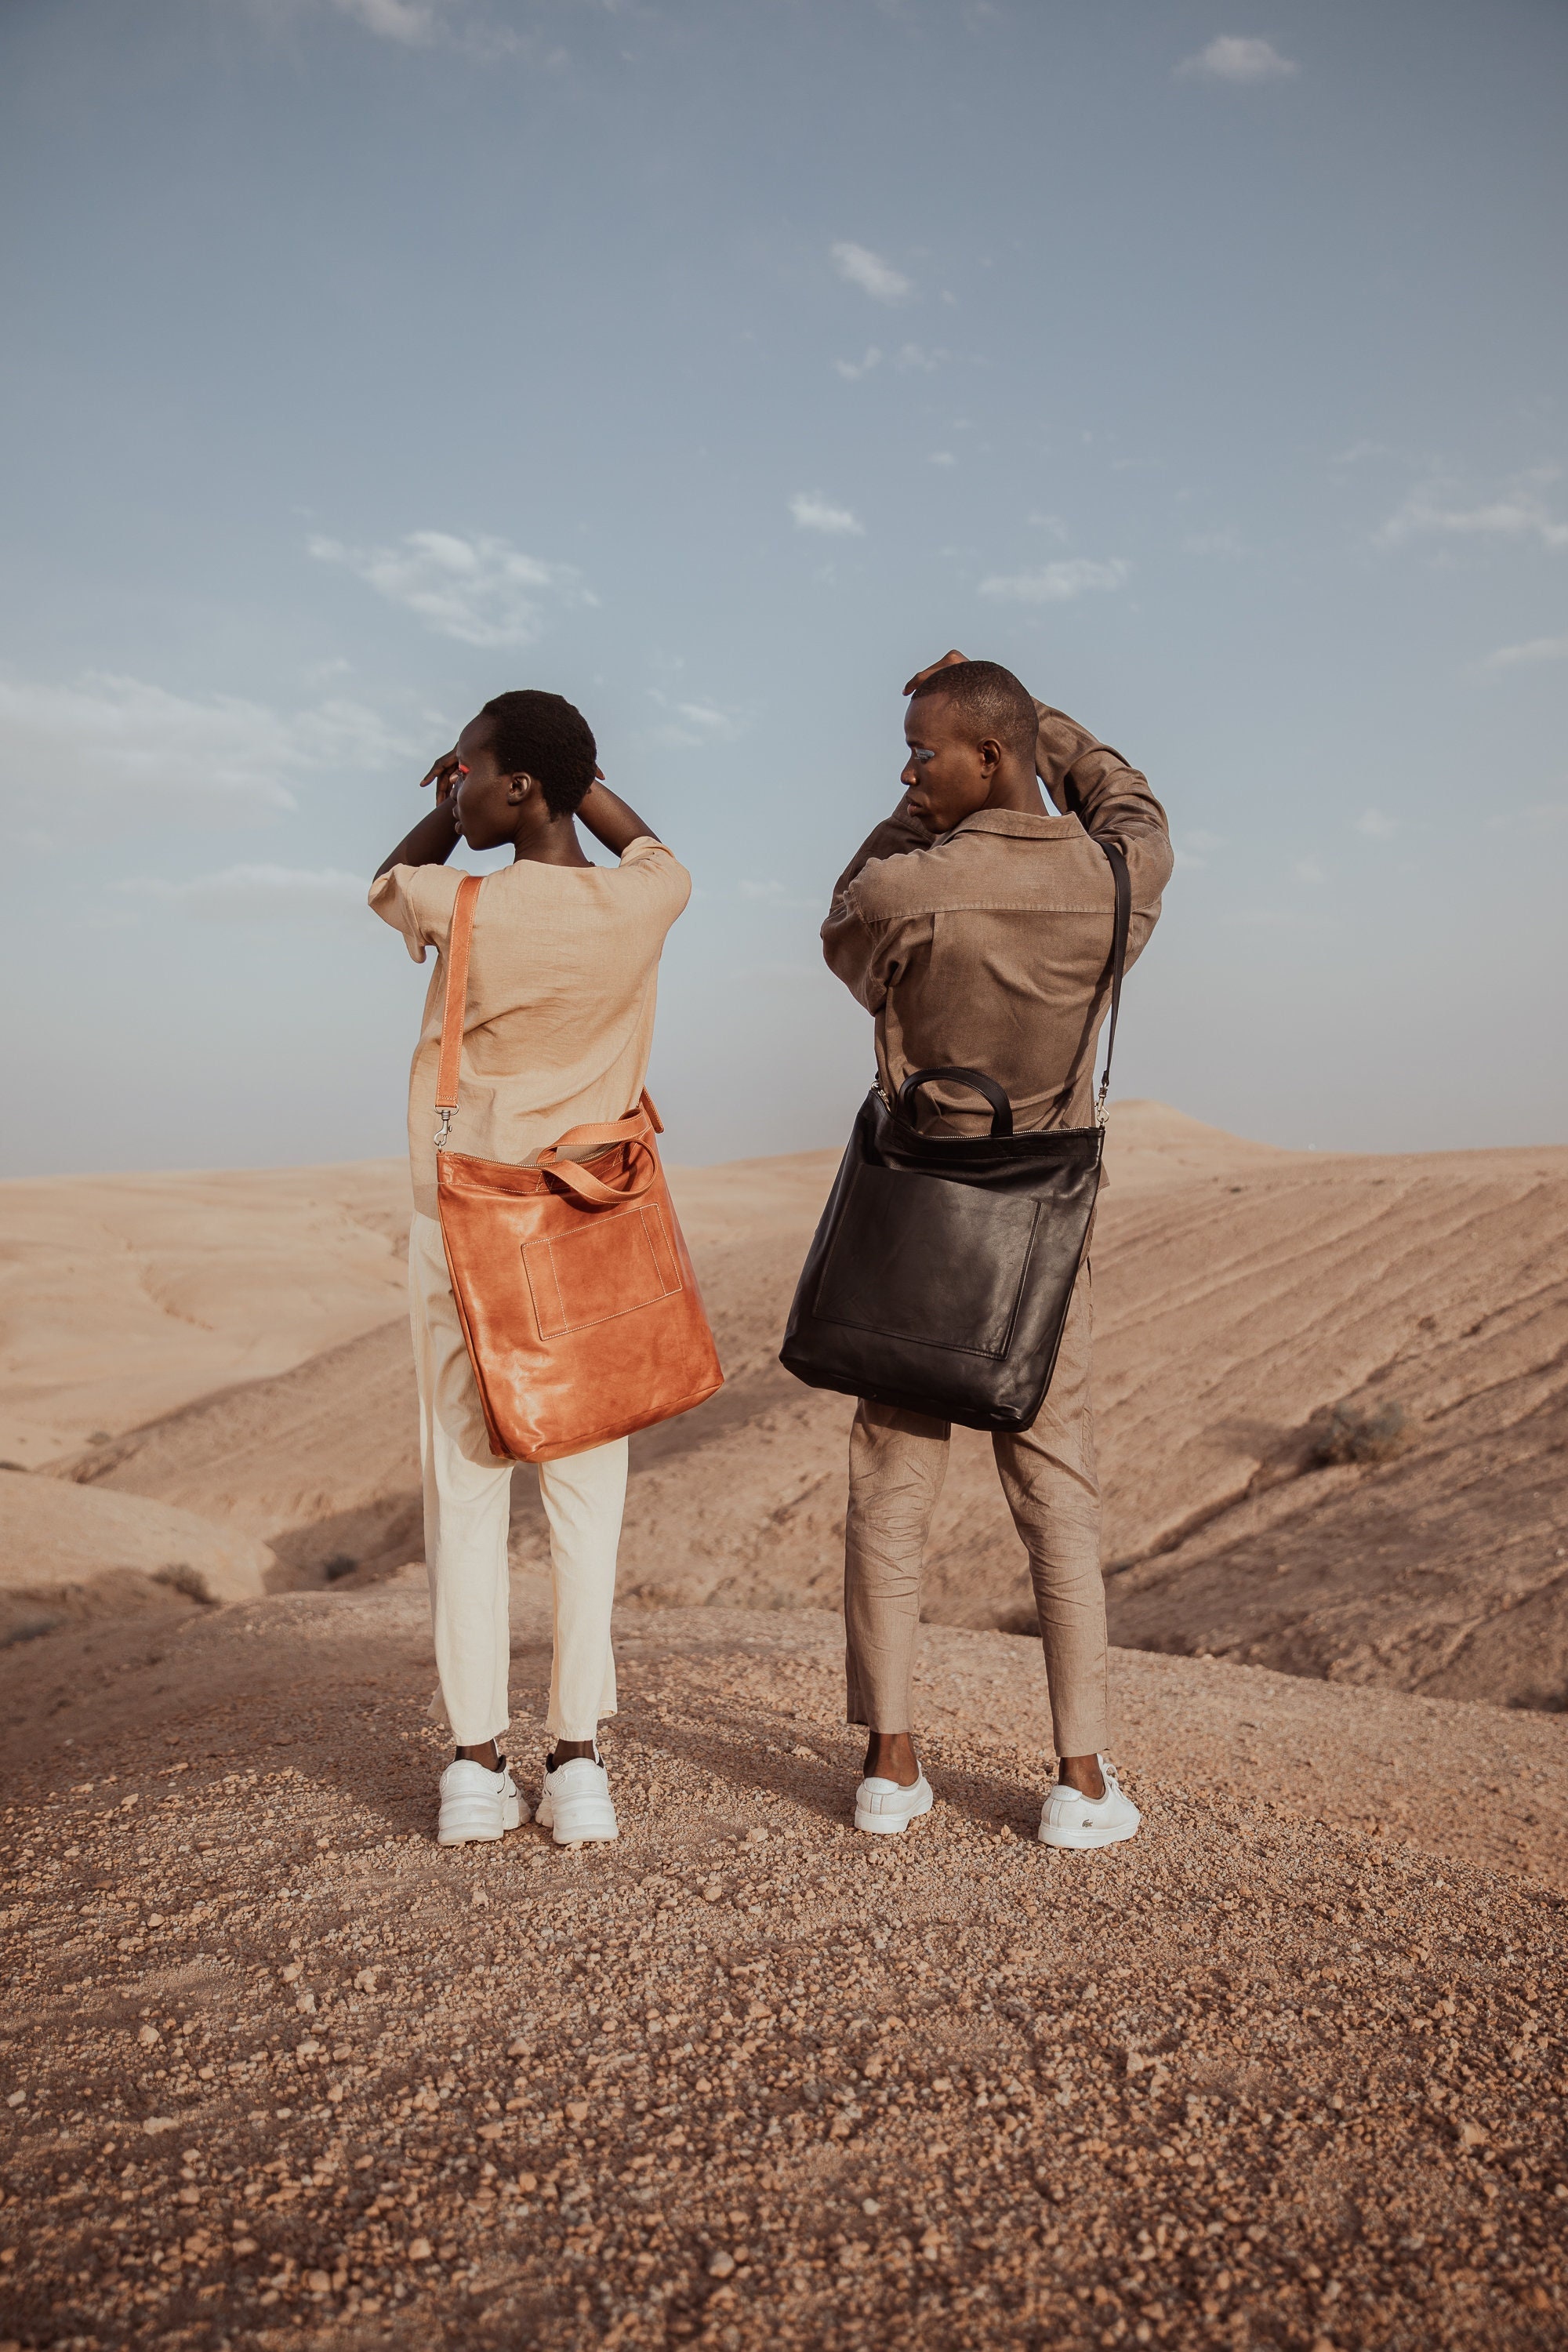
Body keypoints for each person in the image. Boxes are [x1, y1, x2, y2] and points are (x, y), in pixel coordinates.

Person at [819, 652, 1173, 1848]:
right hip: (1042, 1232)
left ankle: (890, 1767)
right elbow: (1129, 800)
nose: (907, 769)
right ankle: (1078, 1783)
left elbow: (845, 922)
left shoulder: (905, 888)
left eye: (924, 751)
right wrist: (1040, 725)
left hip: (920, 1215)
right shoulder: (1116, 881)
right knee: (1055, 1490)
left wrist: (913, 816)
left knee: (890, 1484)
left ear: (984, 761)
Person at [369, 690, 689, 1849]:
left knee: (463, 1493)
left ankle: (471, 1768)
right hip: (584, 1231)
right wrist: (560, 775)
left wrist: (449, 814)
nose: (457, 788)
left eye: (472, 772)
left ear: (517, 792)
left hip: (462, 1225)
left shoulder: (457, 900)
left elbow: (378, 882)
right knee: (585, 1499)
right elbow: (644, 840)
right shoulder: (647, 901)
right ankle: (579, 1768)